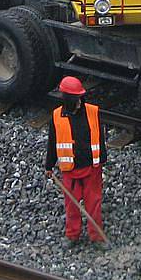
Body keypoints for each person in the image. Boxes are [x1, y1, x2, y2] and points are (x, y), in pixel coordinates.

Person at [45, 76, 107, 243]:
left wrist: (102, 159)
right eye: (76, 98)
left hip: (91, 168)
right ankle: (72, 235)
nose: (79, 102)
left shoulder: (93, 112)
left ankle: (97, 237)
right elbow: (53, 142)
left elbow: (100, 137)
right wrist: (49, 165)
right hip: (70, 170)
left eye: (80, 97)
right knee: (72, 205)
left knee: (93, 204)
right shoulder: (57, 116)